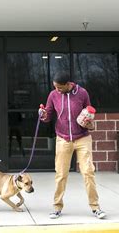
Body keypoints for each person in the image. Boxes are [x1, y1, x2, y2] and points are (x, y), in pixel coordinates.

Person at [39, 71, 106, 220]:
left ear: (68, 84)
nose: (57, 90)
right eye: (55, 87)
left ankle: (96, 207)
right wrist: (43, 114)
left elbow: (89, 112)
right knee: (61, 174)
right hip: (63, 139)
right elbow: (48, 115)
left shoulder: (82, 93)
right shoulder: (53, 95)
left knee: (88, 172)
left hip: (82, 138)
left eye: (59, 87)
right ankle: (57, 207)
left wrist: (89, 121)